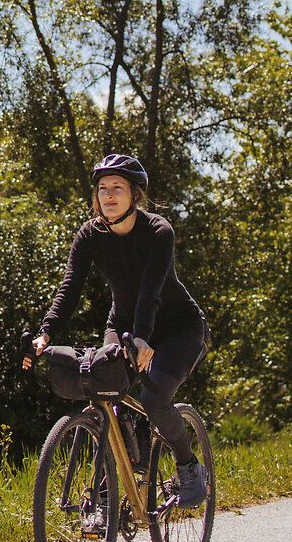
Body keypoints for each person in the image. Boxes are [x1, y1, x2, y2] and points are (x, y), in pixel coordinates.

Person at [21, 153, 210, 505]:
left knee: (154, 398)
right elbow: (69, 288)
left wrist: (141, 337)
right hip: (123, 325)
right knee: (103, 389)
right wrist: (44, 334)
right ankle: (107, 494)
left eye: (117, 188)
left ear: (134, 195)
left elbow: (150, 293)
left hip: (177, 328)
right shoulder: (91, 235)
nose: (108, 195)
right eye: (103, 188)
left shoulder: (157, 231)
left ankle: (188, 466)